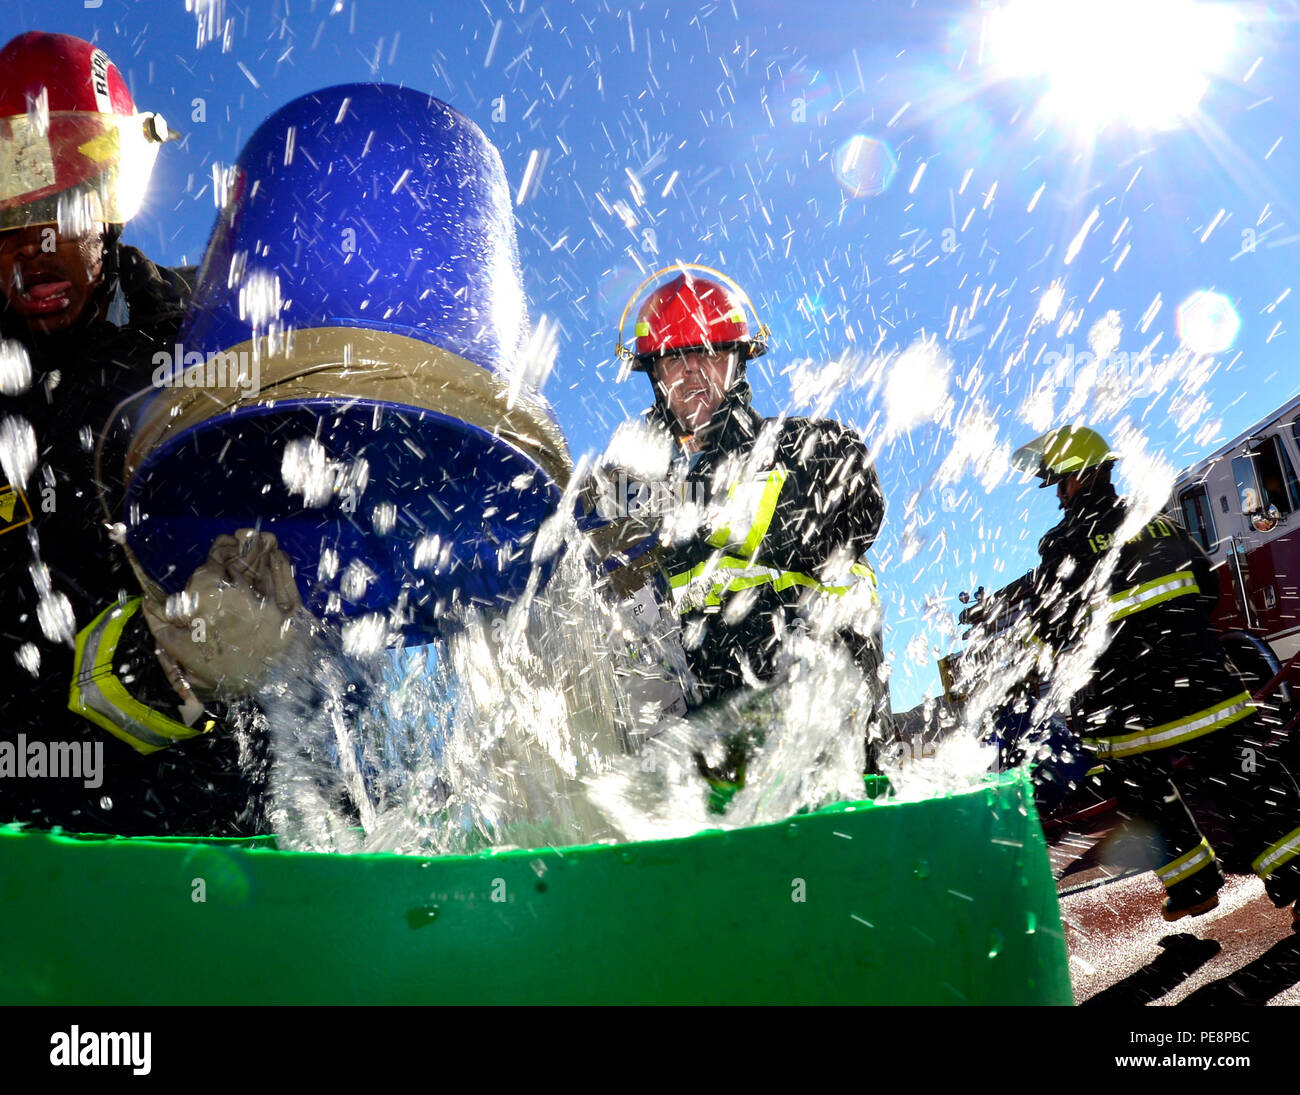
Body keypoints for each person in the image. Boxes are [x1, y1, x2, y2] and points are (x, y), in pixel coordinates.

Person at [0, 32, 264, 836]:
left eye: (63, 207)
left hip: (218, 819)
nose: (34, 249)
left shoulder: (203, 335)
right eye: (4, 218)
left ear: (112, 203)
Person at [607, 265, 888, 788]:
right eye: (674, 358)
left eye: (708, 352)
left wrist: (697, 497)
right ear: (654, 375)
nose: (692, 370)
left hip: (826, 735)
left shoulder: (806, 449)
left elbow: (858, 499)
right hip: (713, 757)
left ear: (737, 361)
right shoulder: (640, 498)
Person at [1013, 424, 1300, 923]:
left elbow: (1052, 629)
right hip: (1209, 689)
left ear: (1079, 478)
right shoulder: (1157, 521)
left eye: (1060, 483)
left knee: (1148, 799)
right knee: (1251, 785)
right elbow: (1207, 591)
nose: (1058, 495)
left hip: (1128, 711)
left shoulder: (1061, 544)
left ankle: (1194, 886)